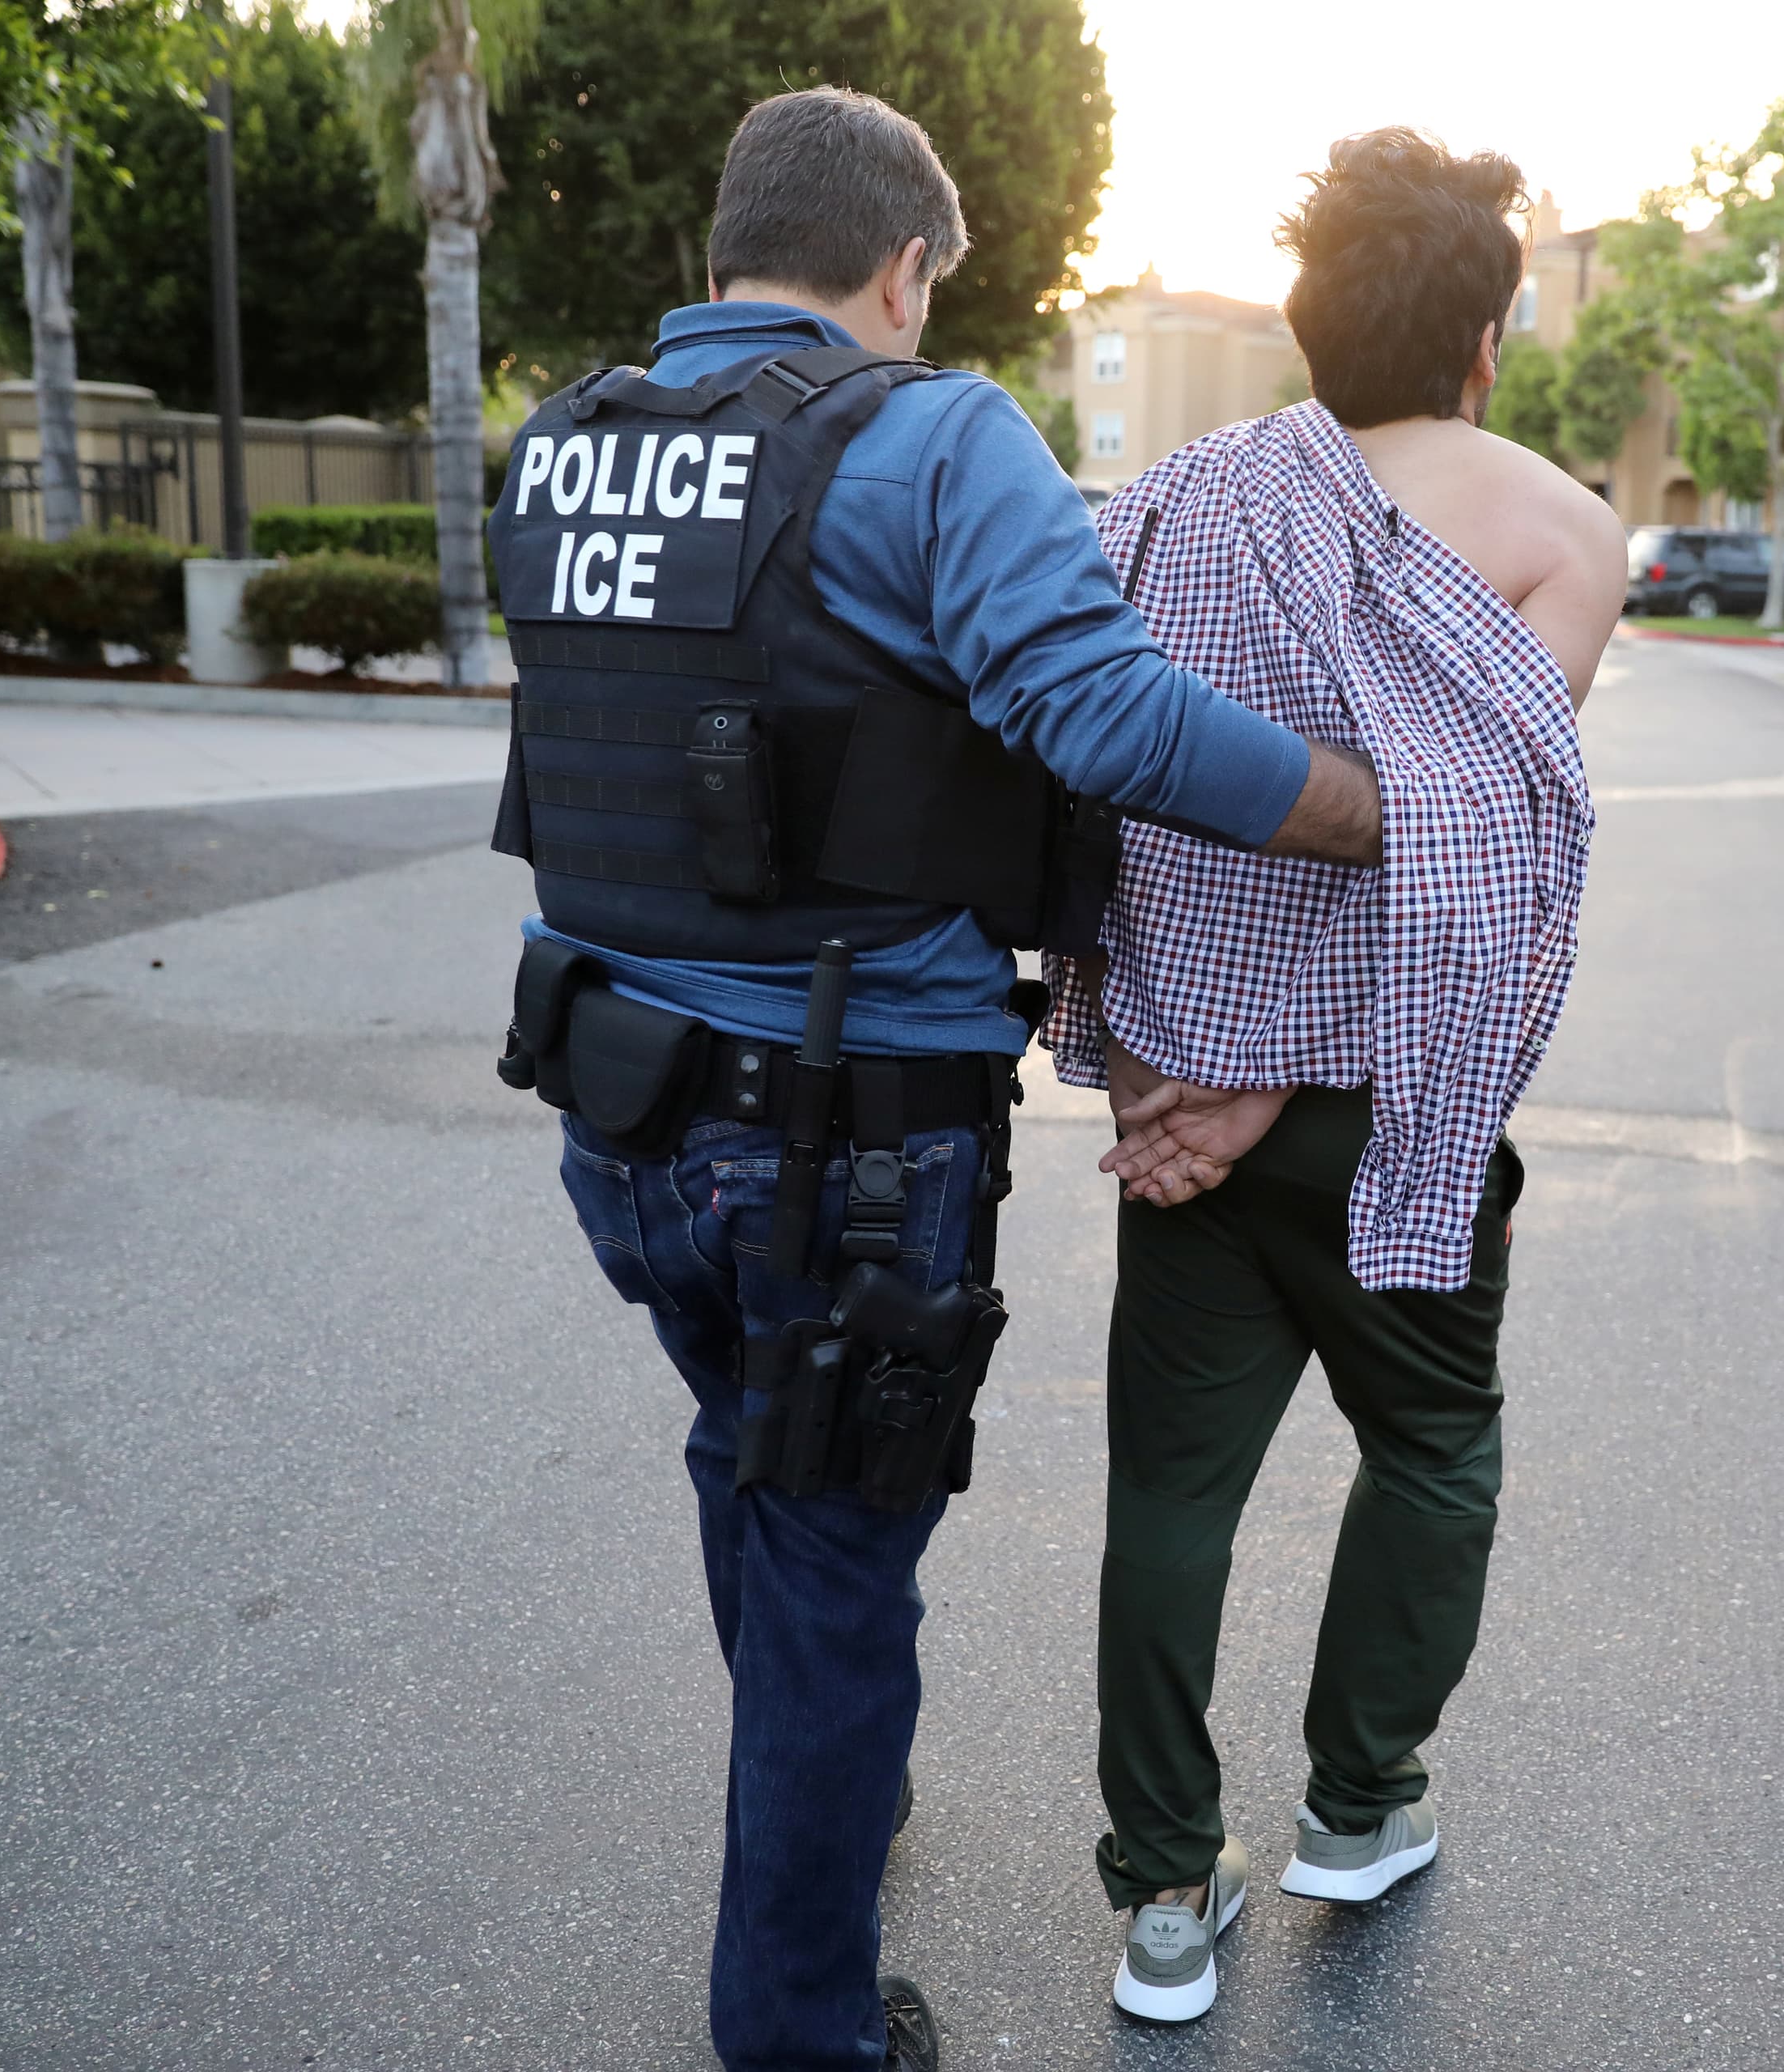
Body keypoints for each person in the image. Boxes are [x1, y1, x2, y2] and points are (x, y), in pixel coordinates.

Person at [480, 88, 1385, 2072]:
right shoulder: (932, 429)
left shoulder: (561, 450)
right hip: (842, 1137)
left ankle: (824, 1809)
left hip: (617, 1114)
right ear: (902, 267)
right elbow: (1100, 711)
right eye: (927, 290)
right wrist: (1360, 813)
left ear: (725, 249)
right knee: (830, 1545)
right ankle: (802, 2022)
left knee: (746, 1454)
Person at [1038, 130, 1625, 2023]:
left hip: (1185, 1103)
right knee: (1433, 1447)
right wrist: (1278, 1086)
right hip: (1397, 1107)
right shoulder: (1561, 534)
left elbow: (1088, 815)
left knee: (1171, 1493)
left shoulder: (1166, 510)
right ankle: (1360, 1808)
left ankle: (1157, 1897)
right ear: (1489, 340)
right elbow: (1474, 868)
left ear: (1306, 326)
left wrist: (1164, 1079)